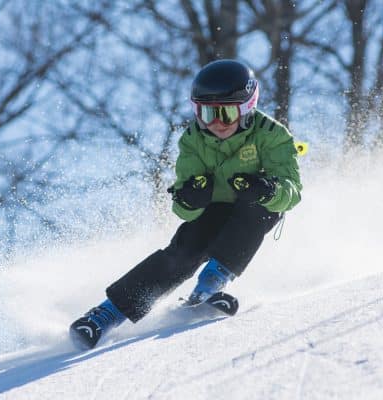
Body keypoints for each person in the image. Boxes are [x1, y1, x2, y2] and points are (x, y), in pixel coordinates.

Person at [70, 59, 302, 349]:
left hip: (253, 207)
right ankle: (106, 315)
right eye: (206, 113)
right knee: (185, 250)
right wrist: (190, 198)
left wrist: (267, 189)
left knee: (258, 209)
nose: (215, 123)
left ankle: (209, 286)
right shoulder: (193, 140)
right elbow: (182, 208)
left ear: (246, 109)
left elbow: (292, 192)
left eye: (226, 113)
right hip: (213, 210)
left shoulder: (272, 135)